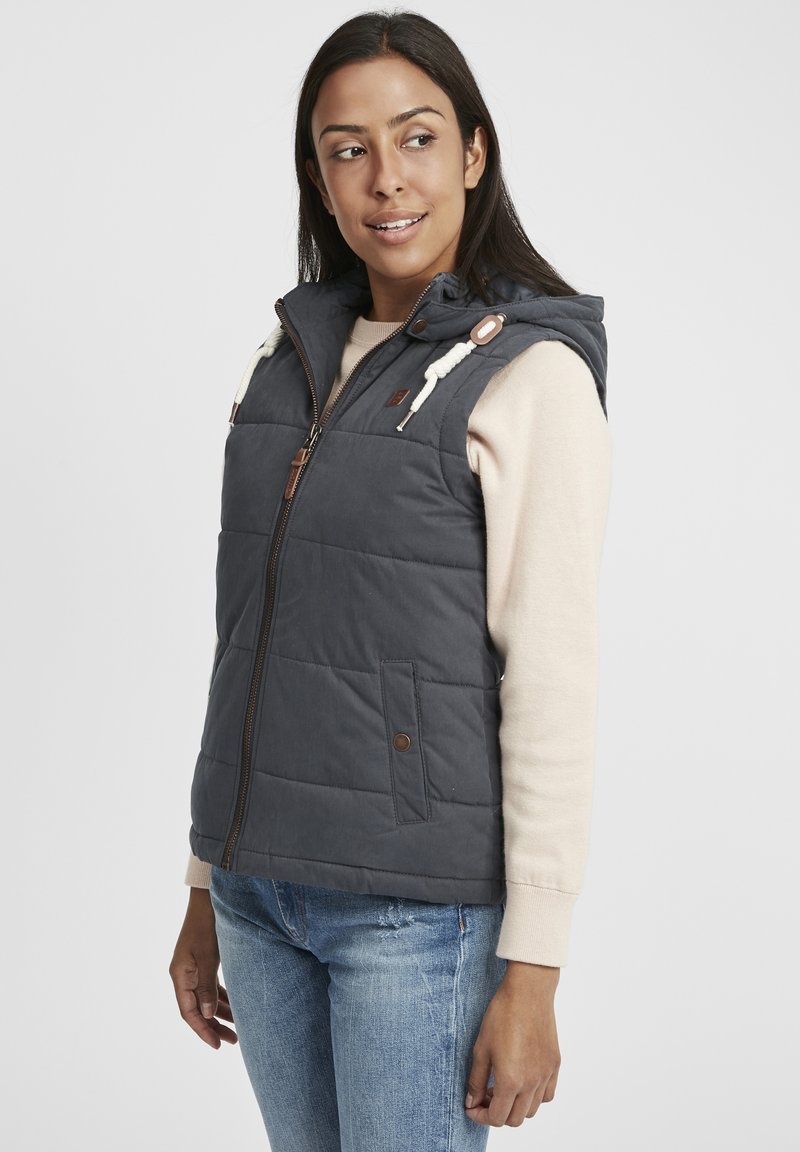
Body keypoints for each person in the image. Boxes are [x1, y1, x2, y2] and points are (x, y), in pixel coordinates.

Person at [169, 10, 612, 1150]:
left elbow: (552, 677)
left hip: (412, 916)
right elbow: (247, 638)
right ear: (318, 179)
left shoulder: (530, 376)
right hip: (257, 894)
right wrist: (205, 883)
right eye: (347, 149)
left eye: (416, 138)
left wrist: (534, 970)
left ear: (472, 153)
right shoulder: (285, 359)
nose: (385, 179)